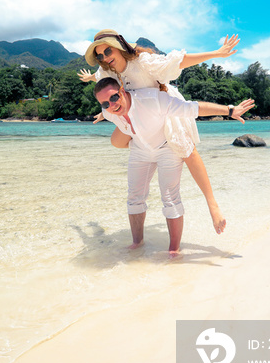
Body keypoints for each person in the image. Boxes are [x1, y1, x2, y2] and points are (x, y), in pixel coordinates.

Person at [79, 29, 240, 234]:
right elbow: (101, 81)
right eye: (100, 56)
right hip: (138, 118)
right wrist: (106, 108)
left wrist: (216, 53)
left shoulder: (142, 62)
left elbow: (177, 62)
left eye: (108, 51)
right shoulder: (107, 71)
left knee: (186, 151)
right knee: (117, 141)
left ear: (119, 47)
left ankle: (212, 204)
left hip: (163, 108)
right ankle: (149, 148)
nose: (105, 58)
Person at [94, 76, 254, 256]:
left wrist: (230, 111)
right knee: (134, 197)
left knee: (170, 198)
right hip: (140, 148)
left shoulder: (152, 100)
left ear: (122, 91)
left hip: (167, 147)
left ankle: (174, 250)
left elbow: (193, 108)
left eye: (114, 98)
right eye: (105, 104)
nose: (112, 105)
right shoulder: (109, 112)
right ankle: (137, 244)